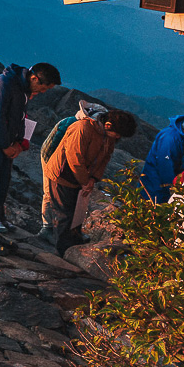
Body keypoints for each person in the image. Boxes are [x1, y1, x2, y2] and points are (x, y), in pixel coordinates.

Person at [0, 61, 61, 253]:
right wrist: (5, 145)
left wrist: (19, 143)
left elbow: (19, 117)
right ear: (34, 78)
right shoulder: (4, 84)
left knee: (0, 188)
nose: (43, 92)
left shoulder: (23, 89)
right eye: (43, 87)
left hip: (5, 145)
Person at [43, 108, 137, 256]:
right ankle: (62, 250)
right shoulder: (82, 128)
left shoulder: (109, 137)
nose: (117, 138)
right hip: (62, 174)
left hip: (81, 178)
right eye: (117, 134)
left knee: (77, 212)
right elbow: (74, 159)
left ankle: (74, 240)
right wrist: (85, 181)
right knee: (64, 213)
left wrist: (93, 179)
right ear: (107, 125)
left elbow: (105, 158)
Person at [38, 100, 108, 240]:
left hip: (63, 163)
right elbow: (54, 148)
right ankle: (47, 228)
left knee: (72, 197)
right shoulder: (73, 125)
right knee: (49, 193)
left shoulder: (85, 127)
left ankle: (69, 229)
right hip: (51, 159)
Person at [139, 114, 184, 202]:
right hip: (156, 187)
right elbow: (165, 167)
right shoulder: (170, 138)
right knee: (154, 211)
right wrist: (173, 189)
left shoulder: (183, 135)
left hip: (161, 186)